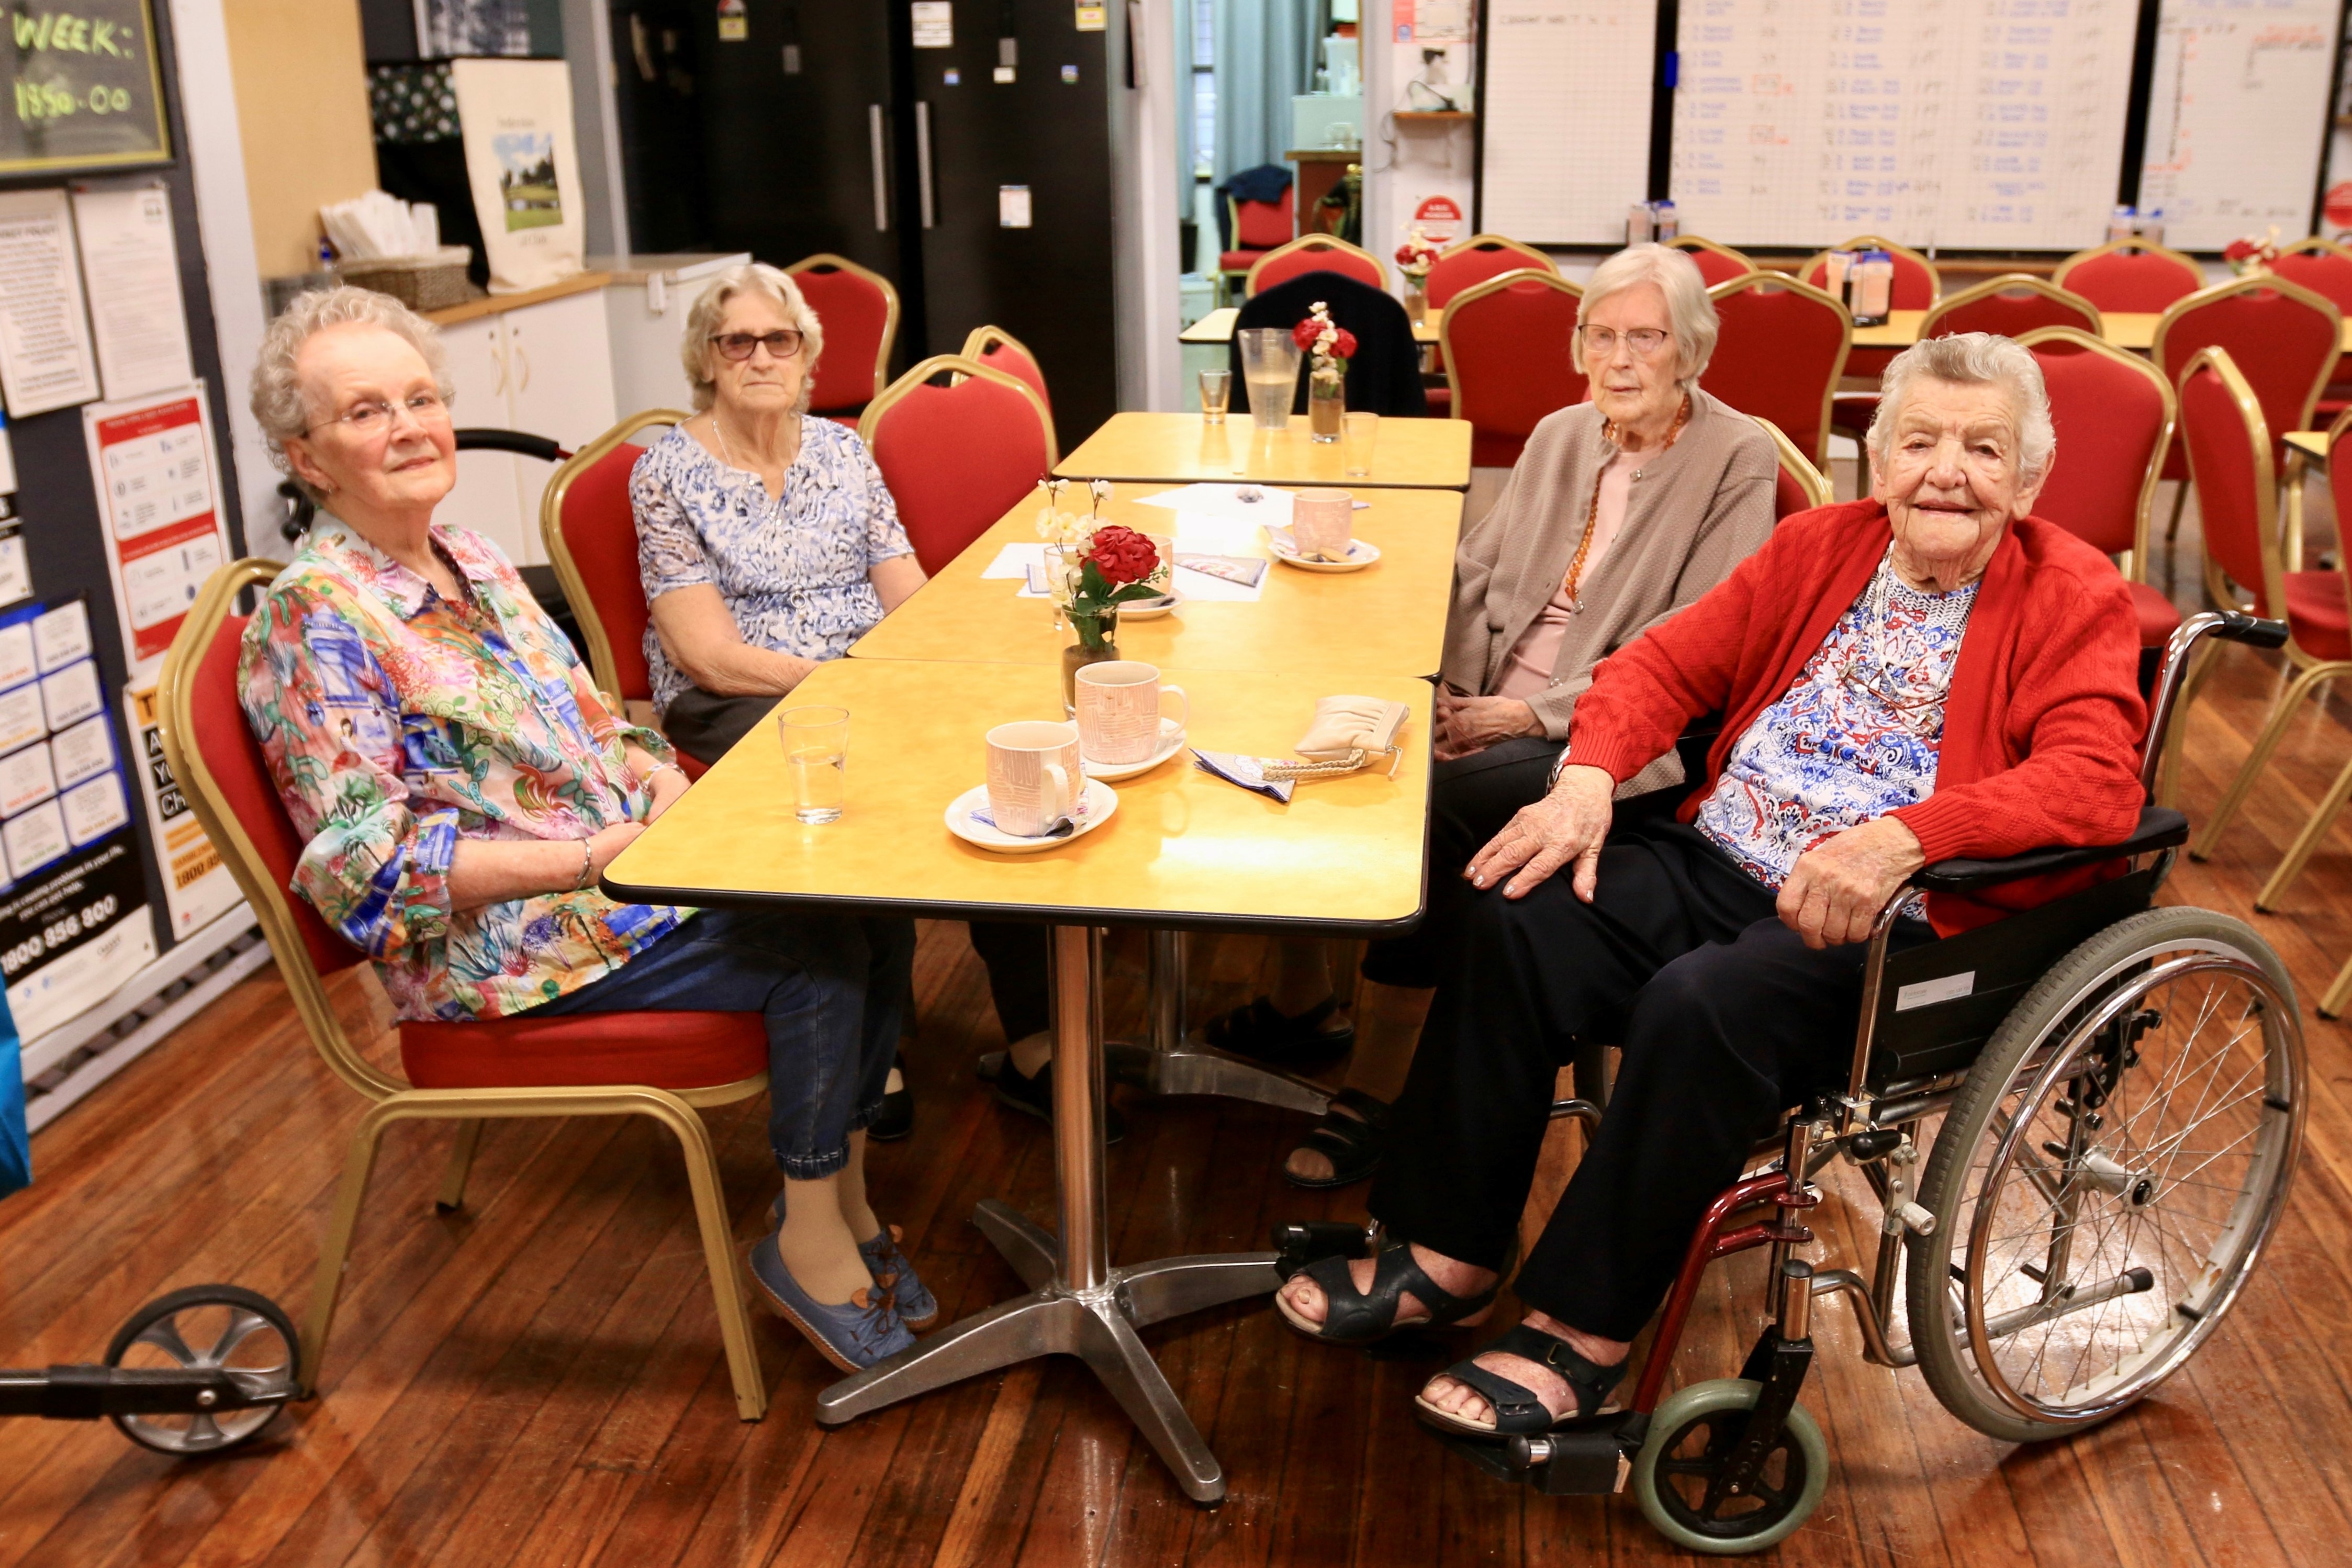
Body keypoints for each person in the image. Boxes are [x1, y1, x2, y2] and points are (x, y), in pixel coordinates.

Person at [1275, 333, 2147, 1438]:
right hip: (1719, 855)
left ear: (2028, 479)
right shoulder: (1820, 544)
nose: (1947, 472)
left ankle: (1582, 1329)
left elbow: (2096, 779)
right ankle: (1447, 1250)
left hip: (1882, 921)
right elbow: (1661, 664)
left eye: (1984, 449)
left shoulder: (2075, 593)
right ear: (1876, 461)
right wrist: (1587, 776)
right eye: (1919, 440)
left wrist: (1903, 838)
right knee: (1517, 913)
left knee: (1703, 1005)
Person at [240, 287, 929, 1373]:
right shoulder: (315, 616)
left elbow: (601, 723)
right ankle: (804, 1235)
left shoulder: (468, 556)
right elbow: (368, 876)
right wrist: (592, 858)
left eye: (421, 397)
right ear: (308, 455)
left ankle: (842, 1198)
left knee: (872, 902)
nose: (411, 425)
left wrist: (652, 780)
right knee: (813, 948)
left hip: (620, 878)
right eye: (366, 411)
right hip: (504, 941)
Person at [1209, 244, 1778, 1190]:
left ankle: (1377, 1089)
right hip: (1485, 707)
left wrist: (1525, 714)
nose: (1621, 359)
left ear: (1692, 350)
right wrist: (1441, 686)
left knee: (1423, 807)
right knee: (1312, 736)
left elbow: (1700, 638)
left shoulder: (1736, 453)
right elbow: (1472, 573)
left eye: (1646, 338)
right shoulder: (1561, 434)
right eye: (1601, 336)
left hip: (1610, 745)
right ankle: (1300, 993)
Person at [629, 264, 1069, 1139]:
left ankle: (1035, 1031)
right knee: (853, 775)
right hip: (738, 695)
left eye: (778, 340)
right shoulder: (666, 472)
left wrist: (944, 668)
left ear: (806, 356)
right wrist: (850, 685)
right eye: (737, 342)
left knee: (1001, 754)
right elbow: (707, 654)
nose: (760, 357)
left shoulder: (841, 451)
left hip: (865, 674)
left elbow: (906, 589)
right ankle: (878, 1042)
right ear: (706, 361)